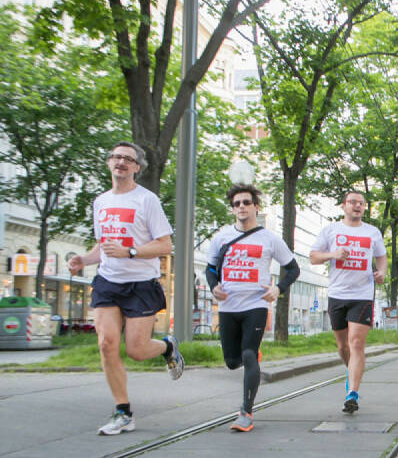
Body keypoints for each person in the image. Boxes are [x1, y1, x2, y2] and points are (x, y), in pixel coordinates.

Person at [67, 141, 185, 436]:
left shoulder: (147, 201)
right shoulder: (101, 202)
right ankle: (123, 412)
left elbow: (165, 245)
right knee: (106, 345)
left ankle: (167, 346)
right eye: (116, 157)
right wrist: (84, 259)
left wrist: (130, 252)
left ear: (137, 168)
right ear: (109, 162)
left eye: (128, 159)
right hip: (108, 281)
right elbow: (104, 248)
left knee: (136, 350)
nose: (121, 162)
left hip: (141, 284)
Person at [206, 183, 300, 431]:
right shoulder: (222, 237)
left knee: (248, 354)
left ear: (256, 207)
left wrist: (278, 288)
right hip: (228, 306)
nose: (242, 207)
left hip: (256, 304)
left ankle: (246, 412)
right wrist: (213, 285)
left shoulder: (269, 239)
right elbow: (210, 268)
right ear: (233, 209)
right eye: (237, 204)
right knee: (231, 361)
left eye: (246, 202)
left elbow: (293, 268)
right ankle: (251, 359)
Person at [310, 190, 386, 414]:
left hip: (362, 294)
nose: (357, 206)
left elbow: (381, 256)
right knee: (343, 347)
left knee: (356, 343)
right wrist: (332, 255)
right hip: (337, 294)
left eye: (361, 203)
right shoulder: (331, 230)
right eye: (352, 202)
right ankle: (351, 370)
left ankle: (352, 393)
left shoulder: (372, 232)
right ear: (343, 206)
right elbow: (313, 256)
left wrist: (381, 272)